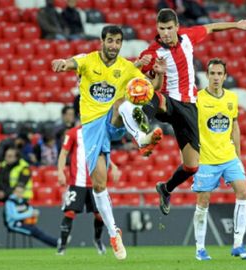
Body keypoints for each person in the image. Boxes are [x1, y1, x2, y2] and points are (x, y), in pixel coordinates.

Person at [123, 8, 246, 216]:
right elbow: (137, 75)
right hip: (168, 101)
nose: (165, 32)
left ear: (177, 27)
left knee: (192, 166)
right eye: (161, 28)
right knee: (146, 92)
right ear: (157, 29)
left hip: (190, 107)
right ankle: (142, 134)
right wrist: (143, 66)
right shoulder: (152, 52)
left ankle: (166, 189)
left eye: (169, 28)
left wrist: (236, 25)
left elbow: (211, 27)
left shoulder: (187, 38)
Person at [51, 25, 165, 260]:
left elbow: (148, 89)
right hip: (92, 128)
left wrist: (160, 74)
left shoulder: (126, 67)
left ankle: (143, 137)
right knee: (100, 184)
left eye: (118, 42)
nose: (114, 46)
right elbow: (72, 62)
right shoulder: (88, 60)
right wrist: (63, 63)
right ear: (102, 41)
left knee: (122, 102)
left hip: (113, 122)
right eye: (110, 41)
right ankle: (114, 233)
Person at [191, 59, 246, 261]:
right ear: (207, 75)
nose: (216, 77)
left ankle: (238, 245)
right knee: (203, 200)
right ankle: (200, 248)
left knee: (243, 192)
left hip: (229, 156)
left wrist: (239, 156)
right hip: (206, 159)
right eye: (212, 73)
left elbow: (234, 126)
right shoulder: (197, 99)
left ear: (225, 76)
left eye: (219, 74)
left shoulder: (232, 98)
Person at [56, 125, 122, 255]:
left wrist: (113, 166)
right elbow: (64, 152)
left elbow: (102, 153)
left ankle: (97, 240)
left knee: (99, 215)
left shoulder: (97, 131)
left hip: (94, 181)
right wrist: (60, 171)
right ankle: (62, 246)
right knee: (69, 213)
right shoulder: (73, 133)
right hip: (77, 182)